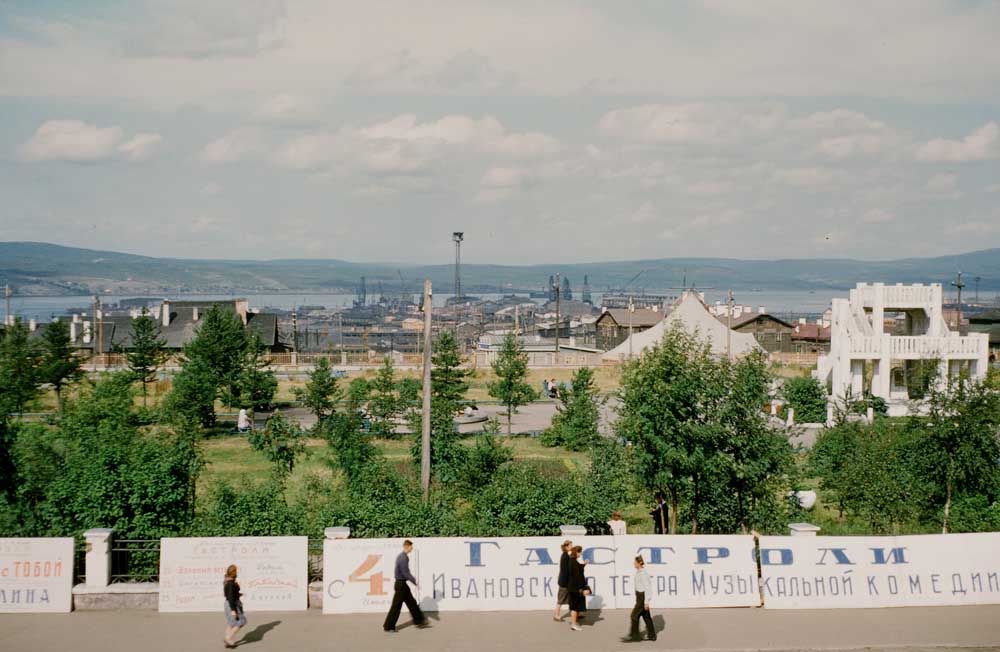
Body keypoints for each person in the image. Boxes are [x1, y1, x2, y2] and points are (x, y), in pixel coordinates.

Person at [383, 540, 428, 633]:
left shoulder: (401, 556)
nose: (412, 548)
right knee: (396, 606)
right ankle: (389, 626)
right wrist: (414, 581)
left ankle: (420, 621)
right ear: (407, 546)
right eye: (411, 547)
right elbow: (405, 572)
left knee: (412, 603)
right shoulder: (403, 557)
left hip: (402, 584)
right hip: (401, 585)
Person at [627, 555, 657, 642]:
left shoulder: (643, 573)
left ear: (639, 563)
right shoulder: (639, 572)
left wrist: (646, 602)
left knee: (634, 616)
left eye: (635, 562)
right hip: (639, 596)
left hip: (642, 597)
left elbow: (648, 588)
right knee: (646, 617)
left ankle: (635, 636)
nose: (634, 564)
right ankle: (652, 636)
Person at [567, 545, 590, 632]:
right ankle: (573, 624)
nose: (581, 553)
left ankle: (574, 622)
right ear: (577, 552)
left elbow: (578, 570)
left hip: (573, 587)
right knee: (575, 607)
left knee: (575, 606)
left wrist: (584, 564)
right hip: (575, 588)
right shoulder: (573, 562)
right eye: (580, 552)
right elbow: (577, 577)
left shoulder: (572, 561)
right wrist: (583, 589)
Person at [223, 564, 246, 648]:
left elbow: (230, 594)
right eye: (236, 571)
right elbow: (230, 597)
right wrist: (233, 610)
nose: (237, 573)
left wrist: (238, 594)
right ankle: (228, 638)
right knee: (242, 621)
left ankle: (227, 639)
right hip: (232, 605)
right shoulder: (230, 583)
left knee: (231, 623)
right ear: (233, 572)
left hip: (229, 604)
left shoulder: (228, 582)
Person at [553, 539, 572, 621]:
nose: (572, 547)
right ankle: (556, 616)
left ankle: (575, 614)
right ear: (567, 546)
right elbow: (565, 571)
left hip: (565, 581)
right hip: (564, 582)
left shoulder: (565, 555)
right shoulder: (565, 556)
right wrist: (568, 582)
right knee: (560, 600)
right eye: (570, 545)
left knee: (571, 599)